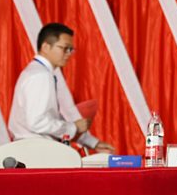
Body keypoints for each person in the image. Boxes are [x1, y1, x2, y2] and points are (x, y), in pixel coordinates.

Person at [7, 22, 114, 152]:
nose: (68, 53)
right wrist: (73, 127)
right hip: (37, 151)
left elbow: (51, 119)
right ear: (45, 47)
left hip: (32, 148)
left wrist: (92, 142)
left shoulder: (38, 72)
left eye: (71, 49)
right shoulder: (40, 75)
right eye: (64, 48)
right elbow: (37, 122)